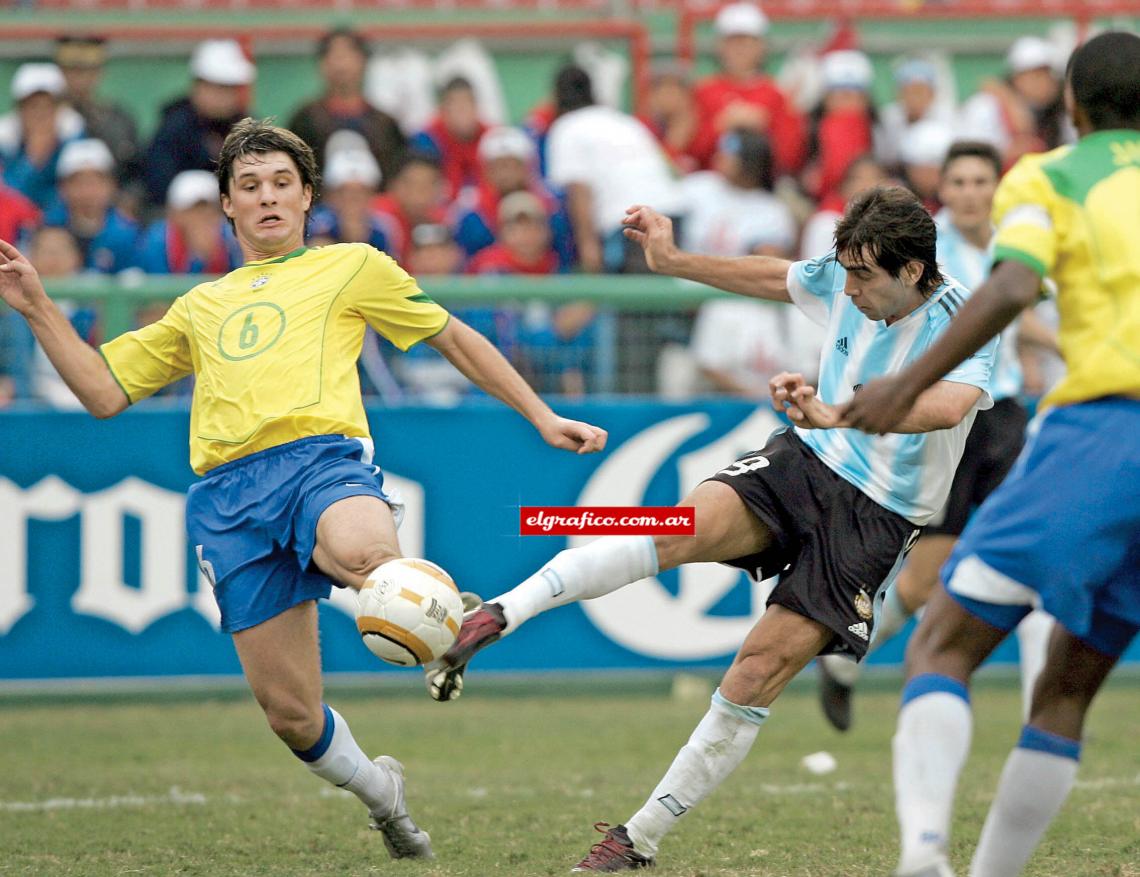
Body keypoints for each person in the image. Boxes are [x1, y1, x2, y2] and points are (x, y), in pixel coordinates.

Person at [0, 117, 606, 858]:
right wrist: (35, 304)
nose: (267, 198)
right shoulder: (198, 306)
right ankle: (383, 792)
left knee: (363, 548)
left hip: (321, 462)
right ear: (226, 203)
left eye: (282, 184)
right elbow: (100, 390)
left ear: (307, 195)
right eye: (249, 186)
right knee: (291, 714)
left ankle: (443, 619)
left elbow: (452, 336)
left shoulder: (351, 265)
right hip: (228, 499)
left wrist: (540, 414)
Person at [427, 187, 998, 873]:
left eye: (862, 277)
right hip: (807, 459)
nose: (845, 288)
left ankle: (635, 838)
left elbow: (948, 406)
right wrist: (673, 261)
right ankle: (496, 613)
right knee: (674, 526)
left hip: (877, 517)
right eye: (842, 271)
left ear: (911, 272)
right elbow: (776, 275)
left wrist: (839, 411)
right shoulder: (847, 276)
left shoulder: (967, 317)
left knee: (758, 668)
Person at [840, 32, 1139, 877]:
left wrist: (904, 386)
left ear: (1072, 106)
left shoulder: (1052, 174)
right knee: (1070, 685)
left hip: (1108, 430)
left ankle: (926, 855)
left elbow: (1013, 284)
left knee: (941, 641)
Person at [816, 140, 1057, 731]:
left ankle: (1036, 707)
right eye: (960, 182)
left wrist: (1034, 352)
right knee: (926, 575)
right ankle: (853, 660)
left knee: (1036, 556)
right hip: (948, 420)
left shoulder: (1014, 239)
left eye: (982, 181)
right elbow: (1002, 311)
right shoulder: (925, 252)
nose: (972, 193)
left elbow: (1019, 314)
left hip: (1003, 415)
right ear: (942, 193)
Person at [544, 65, 684, 273]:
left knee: (635, 302)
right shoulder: (623, 120)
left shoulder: (566, 128)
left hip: (632, 223)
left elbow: (579, 190)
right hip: (673, 214)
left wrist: (587, 245)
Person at [689, 2, 805, 176]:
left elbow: (791, 158)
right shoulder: (703, 91)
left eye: (747, 42)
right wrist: (721, 125)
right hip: (712, 185)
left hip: (762, 188)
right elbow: (691, 152)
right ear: (720, 46)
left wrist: (764, 126)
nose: (740, 49)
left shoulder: (777, 94)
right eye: (733, 42)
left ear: (761, 46)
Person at [288, 27, 406, 187]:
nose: (341, 64)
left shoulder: (385, 124)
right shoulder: (304, 120)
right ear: (322, 64)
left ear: (364, 61)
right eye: (333, 55)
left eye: (348, 55)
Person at [143, 40, 254, 209]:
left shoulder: (248, 129)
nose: (225, 97)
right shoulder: (174, 130)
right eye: (219, 88)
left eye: (231, 89)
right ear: (199, 86)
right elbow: (159, 188)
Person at [55, 35, 142, 191]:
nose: (80, 78)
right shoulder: (47, 118)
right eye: (73, 70)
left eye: (88, 71)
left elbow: (134, 172)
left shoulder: (118, 118)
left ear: (99, 72)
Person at [46, 138, 139, 274]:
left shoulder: (128, 234)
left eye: (95, 183)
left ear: (111, 185)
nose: (87, 192)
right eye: (78, 183)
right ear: (62, 188)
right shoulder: (46, 228)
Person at [0, 63, 81, 211]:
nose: (40, 114)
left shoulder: (76, 139)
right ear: (19, 109)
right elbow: (6, 197)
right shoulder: (4, 142)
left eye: (48, 106)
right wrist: (32, 160)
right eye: (33, 106)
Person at [137, 170, 242, 274]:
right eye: (194, 210)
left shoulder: (232, 238)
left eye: (209, 208)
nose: (203, 216)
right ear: (175, 213)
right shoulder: (156, 241)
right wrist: (198, 260)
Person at [411, 76, 489, 200]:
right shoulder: (426, 139)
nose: (462, 110)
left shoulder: (490, 137)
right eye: (455, 104)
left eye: (467, 103)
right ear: (443, 109)